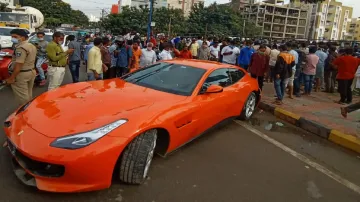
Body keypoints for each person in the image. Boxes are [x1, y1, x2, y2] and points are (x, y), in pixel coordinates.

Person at [5, 29, 37, 105]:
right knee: (28, 95)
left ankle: (24, 114)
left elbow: (19, 65)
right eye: (12, 36)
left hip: (22, 74)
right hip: (31, 71)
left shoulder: (21, 48)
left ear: (23, 37)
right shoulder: (31, 45)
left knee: (22, 98)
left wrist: (11, 78)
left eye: (15, 36)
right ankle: (30, 111)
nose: (13, 38)